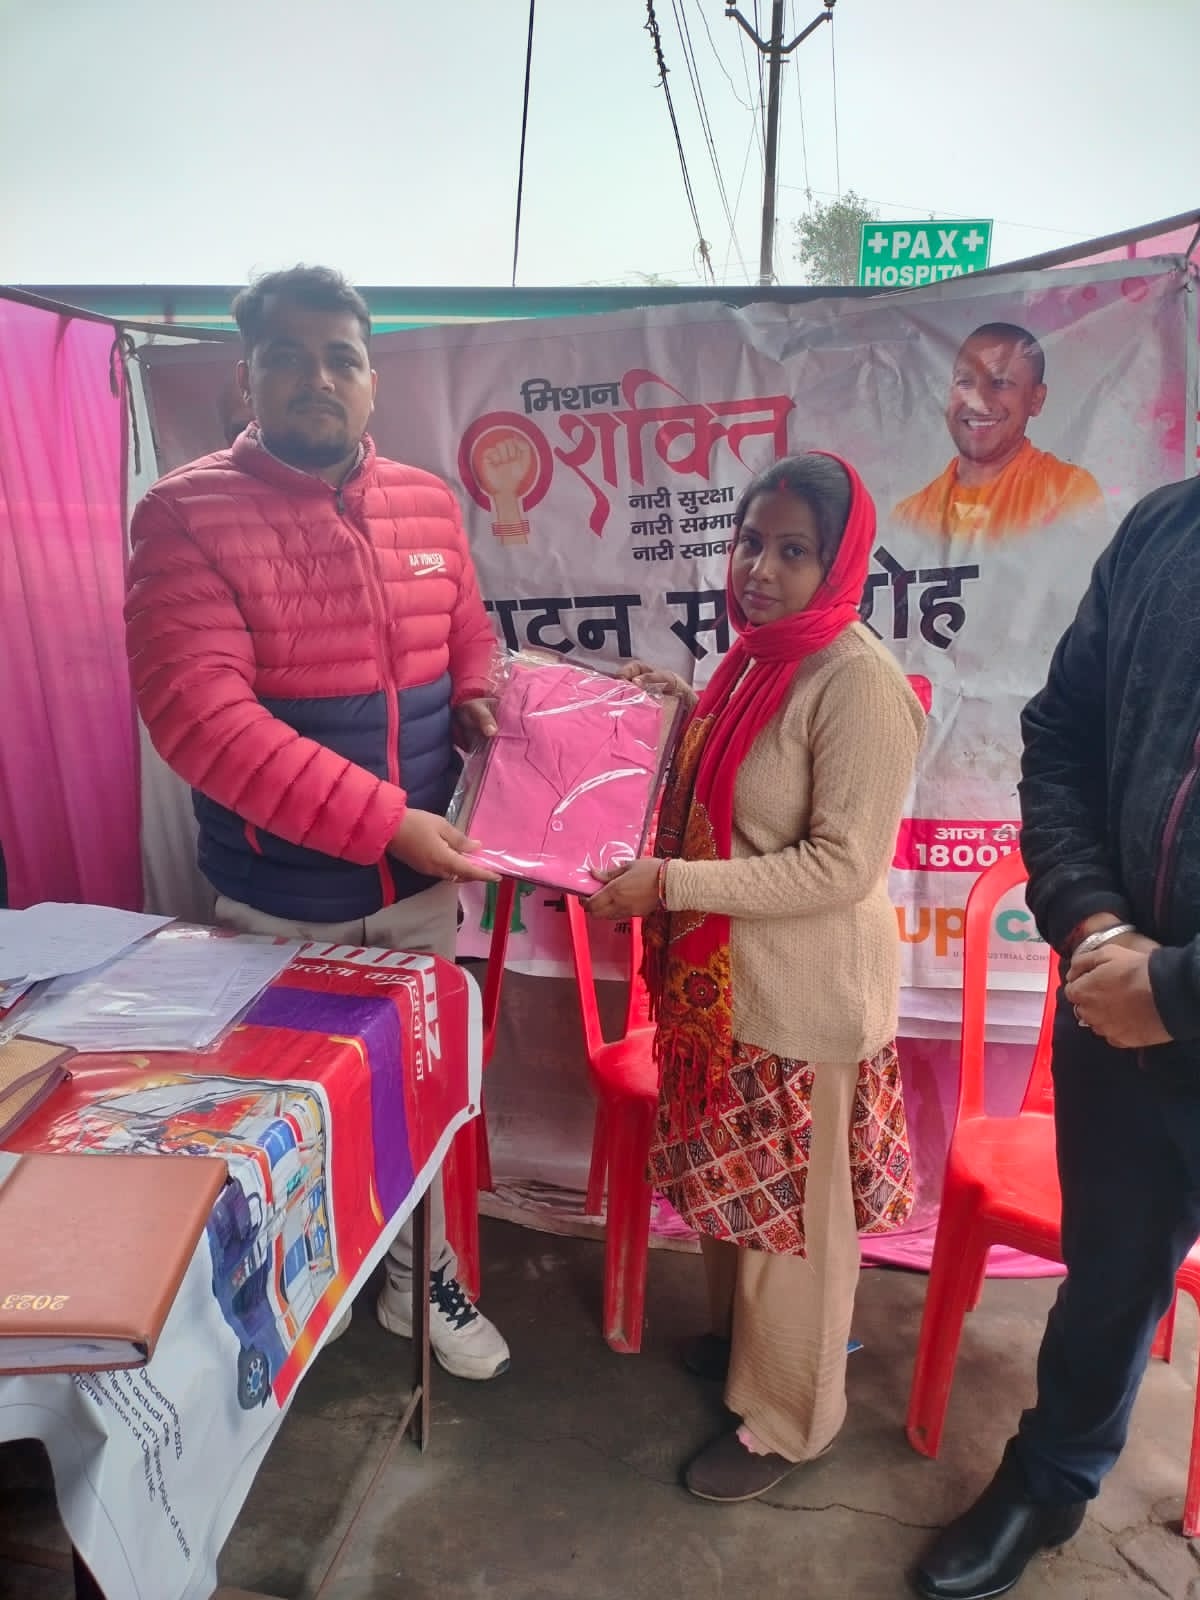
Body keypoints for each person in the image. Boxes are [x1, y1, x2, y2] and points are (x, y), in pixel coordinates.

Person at [124, 265, 511, 1382]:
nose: (318, 378)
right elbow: (202, 721)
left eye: (341, 357)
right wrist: (388, 823)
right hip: (280, 904)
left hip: (419, 891)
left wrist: (477, 694)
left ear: (372, 379)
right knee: (295, 1124)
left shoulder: (427, 502)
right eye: (287, 357)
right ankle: (312, 1283)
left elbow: (469, 630)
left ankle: (418, 1280)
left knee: (425, 1101)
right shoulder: (184, 515)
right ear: (247, 379)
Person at [588, 451, 925, 1500]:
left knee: (796, 1234)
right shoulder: (752, 663)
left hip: (806, 1002)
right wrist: (683, 706)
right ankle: (746, 1352)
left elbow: (839, 864)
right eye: (749, 543)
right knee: (740, 1203)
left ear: (840, 563)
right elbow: (750, 781)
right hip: (732, 996)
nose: (760, 570)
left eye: (793, 551)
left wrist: (671, 884)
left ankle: (788, 1419)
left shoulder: (856, 681)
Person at [913, 473, 1200, 1599]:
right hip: (1112, 1003)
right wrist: (1095, 926)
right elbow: (1062, 734)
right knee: (1107, 1278)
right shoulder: (1167, 528)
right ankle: (1051, 1480)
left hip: (1157, 995)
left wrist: (1177, 989)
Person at [893, 323, 1104, 539]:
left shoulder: (1067, 494)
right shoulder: (909, 515)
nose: (977, 403)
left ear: (1036, 399)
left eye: (999, 383)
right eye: (965, 382)